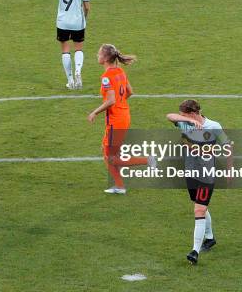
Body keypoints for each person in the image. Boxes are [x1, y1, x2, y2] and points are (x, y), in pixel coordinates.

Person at [166, 99, 232, 265]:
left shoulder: (213, 126)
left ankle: (194, 251)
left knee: (199, 210)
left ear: (193, 112)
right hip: (191, 172)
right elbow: (169, 116)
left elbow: (228, 145)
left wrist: (230, 169)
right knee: (200, 206)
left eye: (184, 115)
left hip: (206, 175)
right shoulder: (185, 124)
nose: (181, 117)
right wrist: (189, 121)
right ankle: (209, 238)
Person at [88, 44, 154, 194]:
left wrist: (95, 112)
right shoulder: (120, 71)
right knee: (108, 154)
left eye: (99, 54)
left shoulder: (106, 77)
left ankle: (147, 160)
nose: (97, 56)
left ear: (105, 59)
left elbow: (110, 101)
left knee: (111, 158)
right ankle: (119, 186)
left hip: (115, 120)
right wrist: (120, 101)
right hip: (124, 115)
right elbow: (130, 92)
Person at [53, 0, 90, 90]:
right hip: (77, 22)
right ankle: (78, 72)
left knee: (65, 51)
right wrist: (84, 18)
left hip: (62, 22)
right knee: (78, 49)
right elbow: (87, 7)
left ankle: (70, 81)